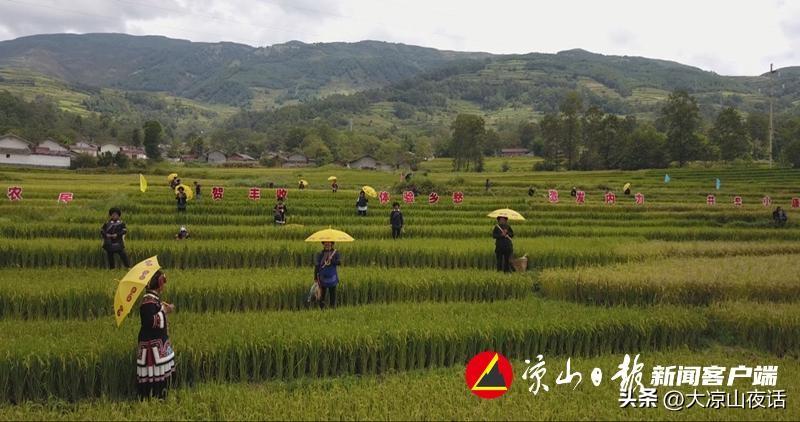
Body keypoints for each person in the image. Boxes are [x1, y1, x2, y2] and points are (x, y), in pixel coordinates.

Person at [136, 270, 176, 400]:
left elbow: (156, 314)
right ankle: (154, 397)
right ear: (158, 284)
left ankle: (159, 396)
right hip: (152, 345)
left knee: (160, 372)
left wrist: (163, 308)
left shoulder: (152, 300)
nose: (164, 285)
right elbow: (149, 322)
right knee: (155, 373)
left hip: (157, 343)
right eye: (163, 282)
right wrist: (164, 310)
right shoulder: (148, 302)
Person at [314, 241, 340, 309]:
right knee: (322, 295)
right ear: (323, 244)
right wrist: (315, 279)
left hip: (332, 278)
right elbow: (317, 266)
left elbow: (339, 262)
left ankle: (332, 309)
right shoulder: (320, 254)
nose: (327, 244)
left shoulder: (335, 253)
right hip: (322, 278)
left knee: (333, 295)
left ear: (332, 243)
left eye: (329, 243)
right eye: (325, 243)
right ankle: (322, 310)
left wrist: (332, 260)